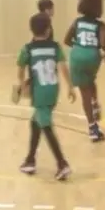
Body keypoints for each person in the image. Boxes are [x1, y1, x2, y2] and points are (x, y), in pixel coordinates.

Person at [15, 13, 73, 181]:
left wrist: (22, 85)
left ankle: (62, 163)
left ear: (31, 30)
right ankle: (30, 160)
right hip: (53, 91)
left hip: (39, 92)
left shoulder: (27, 49)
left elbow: (20, 71)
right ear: (48, 30)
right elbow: (63, 67)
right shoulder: (55, 47)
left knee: (46, 126)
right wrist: (70, 86)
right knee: (35, 122)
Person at [63, 0, 105, 142]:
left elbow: (66, 40)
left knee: (84, 90)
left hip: (77, 54)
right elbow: (103, 44)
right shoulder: (100, 25)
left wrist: (79, 47)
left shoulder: (77, 22)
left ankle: (92, 127)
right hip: (93, 56)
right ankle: (95, 103)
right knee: (90, 80)